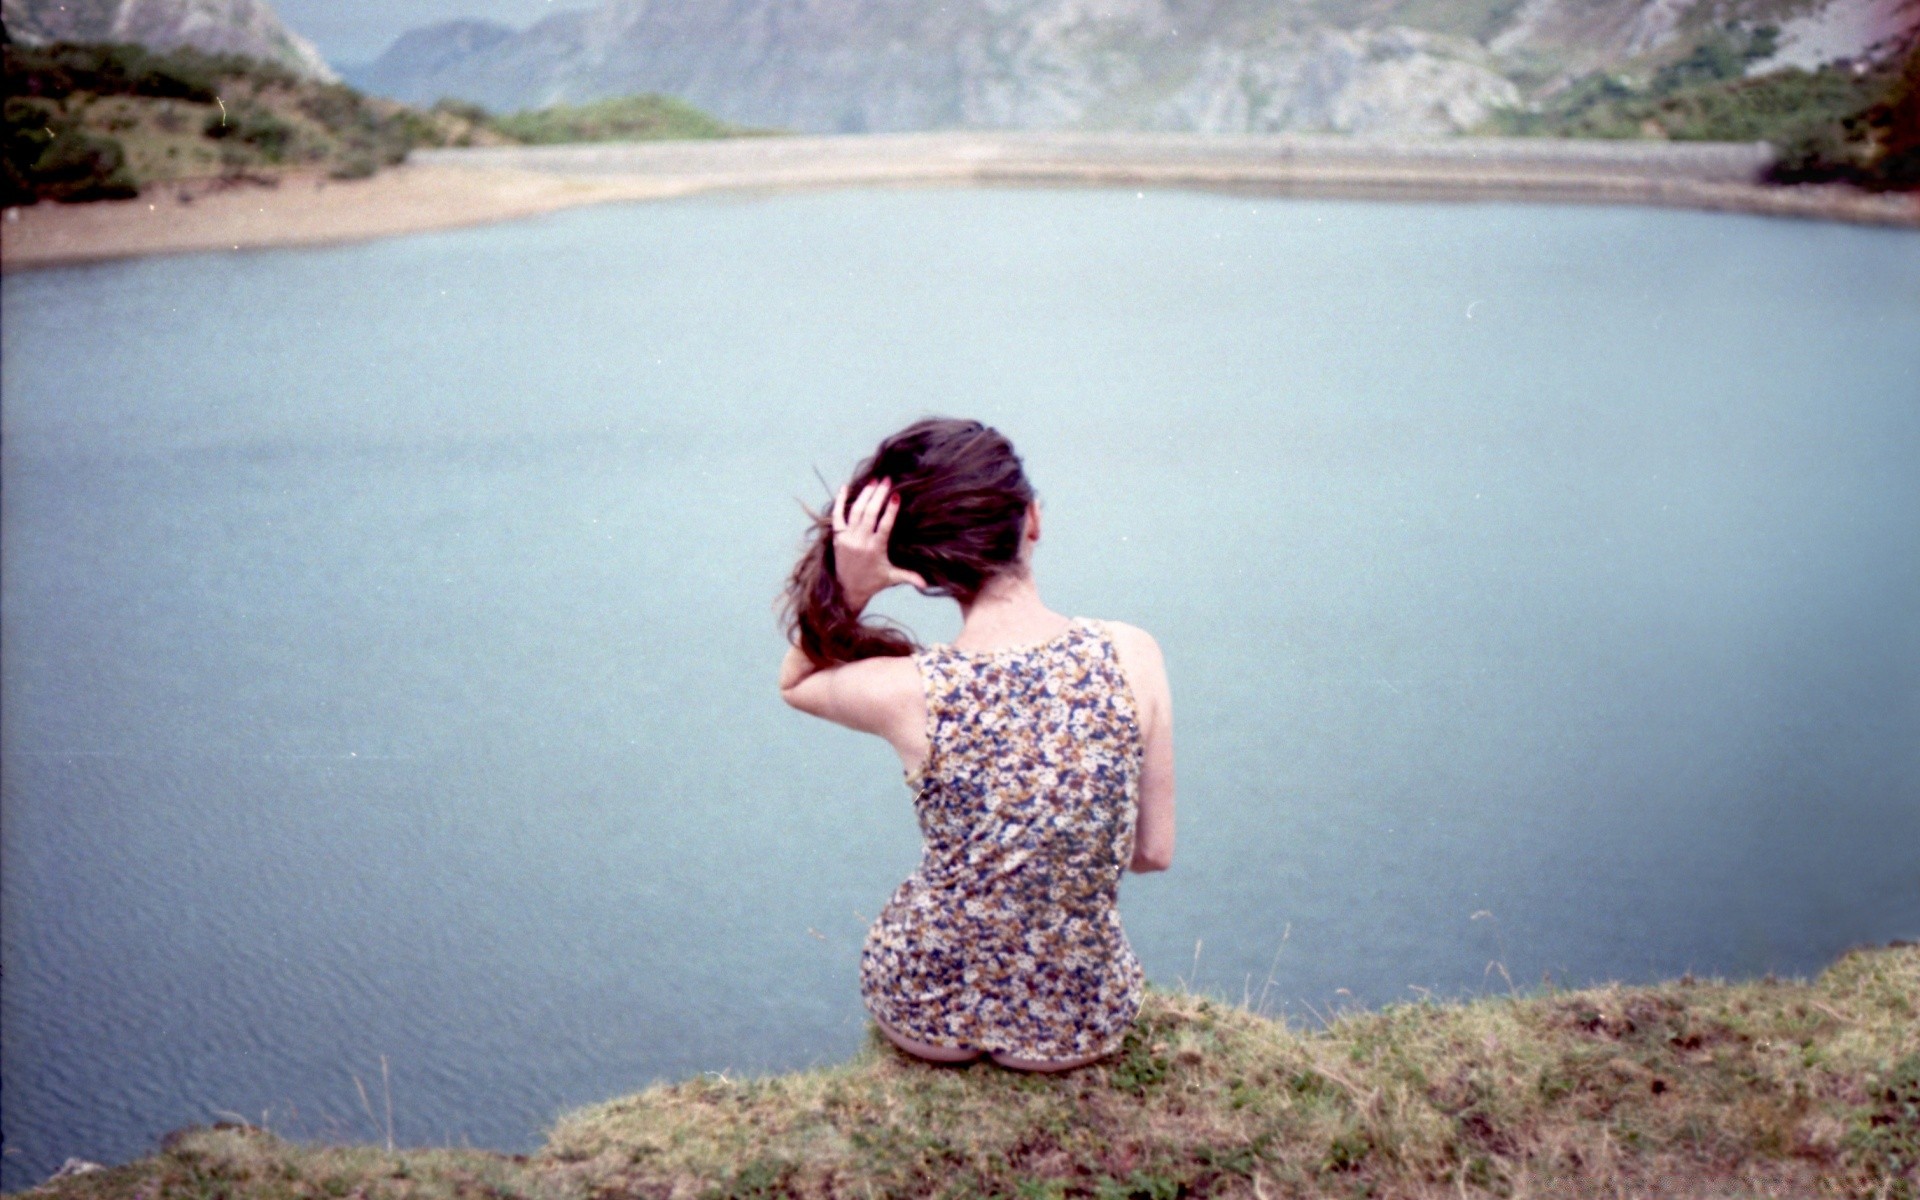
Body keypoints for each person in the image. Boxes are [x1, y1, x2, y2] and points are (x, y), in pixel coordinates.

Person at [777, 417, 1175, 1072]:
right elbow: (1153, 853)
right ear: (1033, 520)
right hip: (1076, 1021)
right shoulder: (1131, 652)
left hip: (923, 1006)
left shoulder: (911, 689)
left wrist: (853, 586)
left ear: (920, 565)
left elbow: (797, 681)